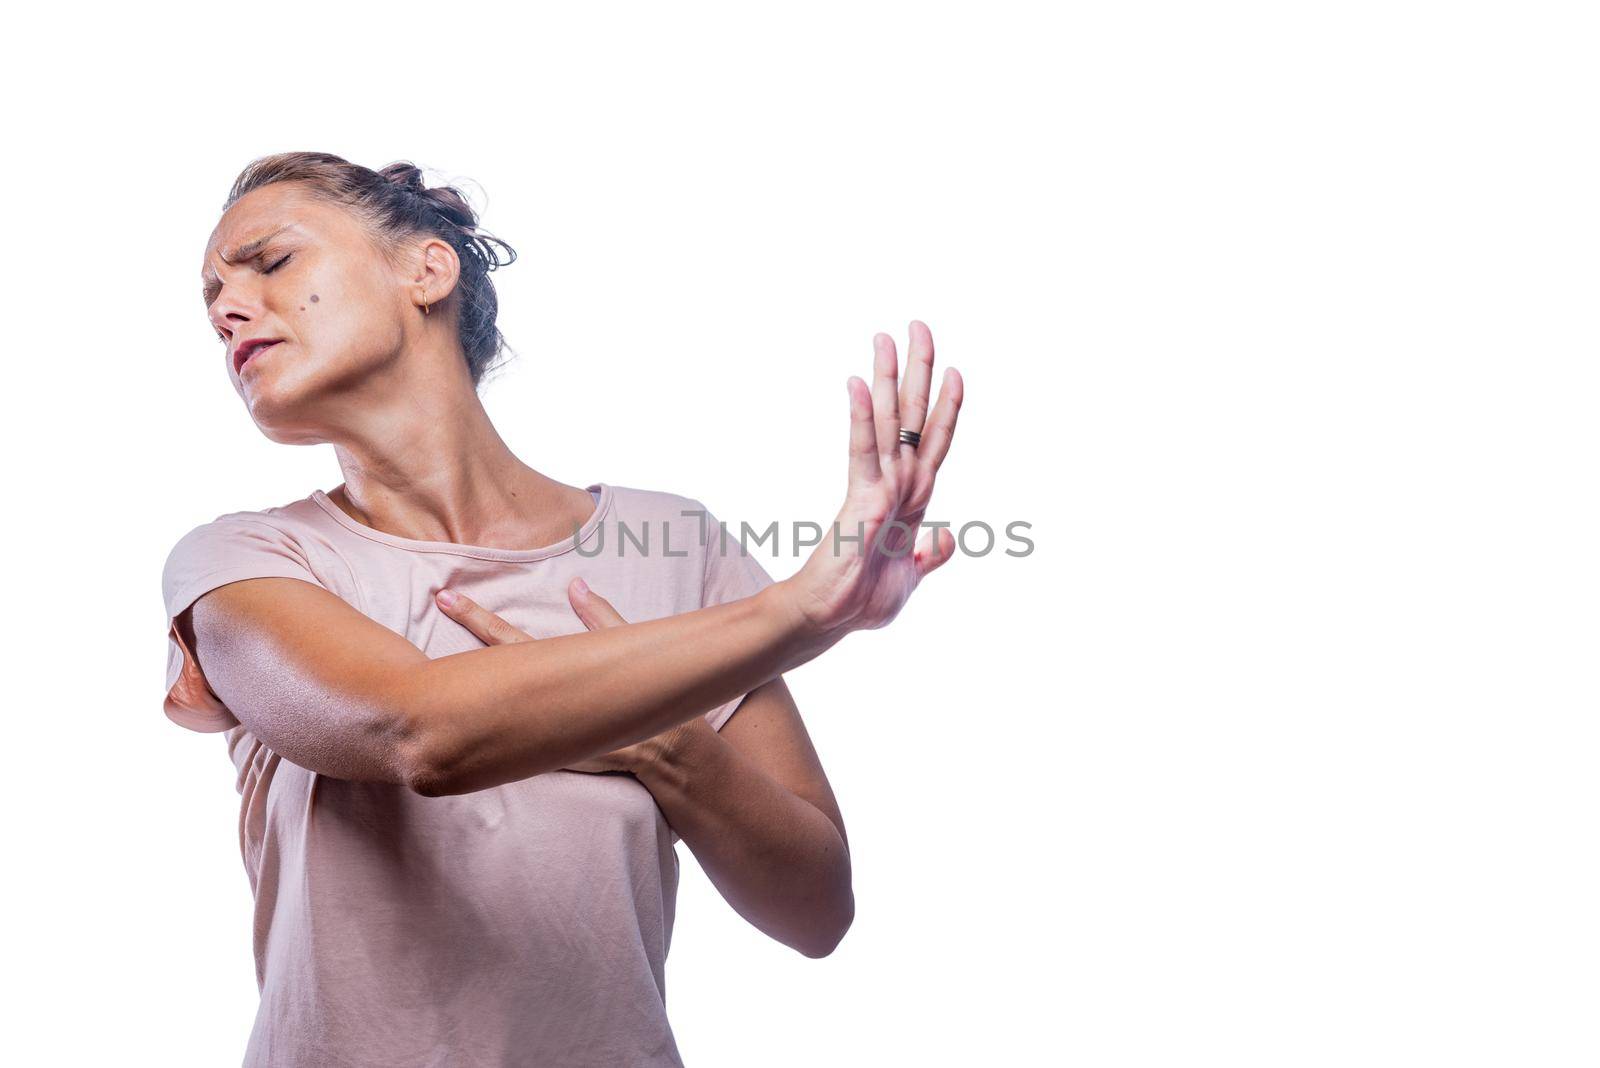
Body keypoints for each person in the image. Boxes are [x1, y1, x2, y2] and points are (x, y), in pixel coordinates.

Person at [162, 151, 964, 1067]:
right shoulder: (245, 562)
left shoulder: (672, 544)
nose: (227, 307)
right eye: (211, 295)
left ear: (426, 270)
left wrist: (662, 743)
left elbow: (816, 908)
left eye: (271, 263)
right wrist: (803, 611)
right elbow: (411, 731)